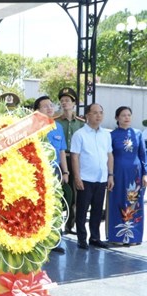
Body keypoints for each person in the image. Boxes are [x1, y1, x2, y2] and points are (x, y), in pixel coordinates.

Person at [71, 103, 113, 250]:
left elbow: (109, 155)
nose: (98, 115)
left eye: (101, 112)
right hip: (85, 179)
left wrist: (110, 175)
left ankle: (95, 237)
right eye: (95, 113)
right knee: (82, 210)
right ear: (87, 115)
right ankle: (82, 238)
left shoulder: (106, 134)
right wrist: (77, 177)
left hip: (101, 179)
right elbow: (75, 157)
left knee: (97, 210)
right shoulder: (79, 134)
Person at [107, 106, 147, 246]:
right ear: (117, 118)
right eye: (123, 115)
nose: (127, 117)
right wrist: (110, 174)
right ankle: (117, 237)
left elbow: (143, 155)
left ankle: (133, 236)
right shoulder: (111, 135)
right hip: (118, 174)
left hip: (134, 176)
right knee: (117, 201)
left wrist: (145, 174)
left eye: (129, 115)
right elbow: (108, 156)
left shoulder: (137, 134)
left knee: (133, 202)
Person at [34, 96, 68, 253]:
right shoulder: (32, 127)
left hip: (55, 172)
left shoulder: (58, 127)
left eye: (51, 105)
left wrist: (65, 172)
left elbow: (61, 151)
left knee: (55, 206)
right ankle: (36, 240)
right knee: (37, 207)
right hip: (36, 173)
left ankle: (55, 240)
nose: (49, 108)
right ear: (37, 111)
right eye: (45, 106)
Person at [54, 87, 85, 234]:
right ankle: (56, 225)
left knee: (74, 194)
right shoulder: (55, 122)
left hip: (76, 161)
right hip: (60, 160)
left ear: (74, 103)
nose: (64, 103)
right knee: (58, 193)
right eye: (62, 101)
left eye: (67, 100)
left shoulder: (81, 123)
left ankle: (70, 225)